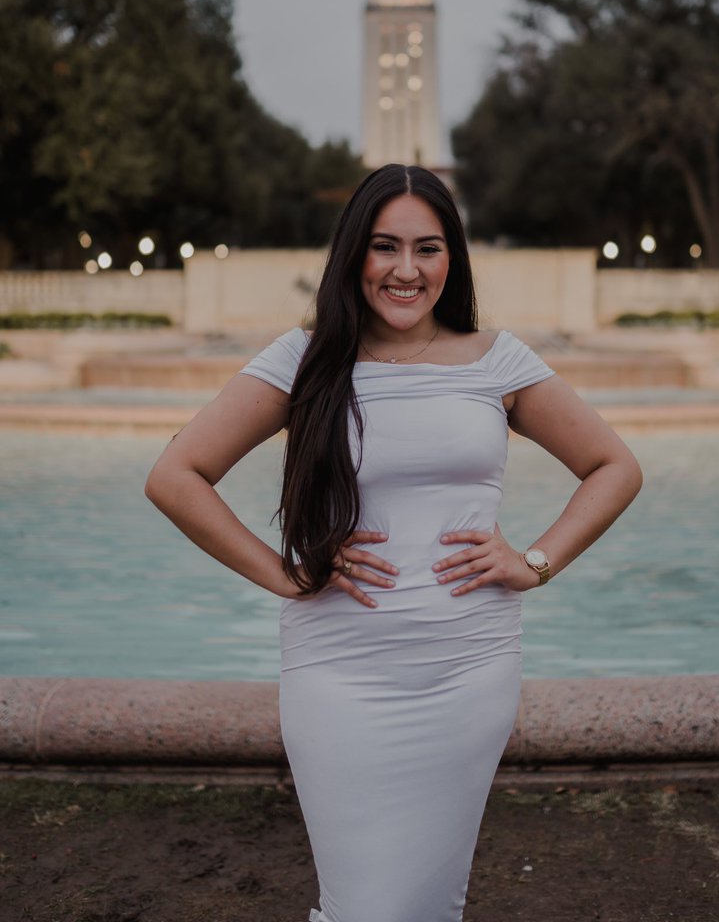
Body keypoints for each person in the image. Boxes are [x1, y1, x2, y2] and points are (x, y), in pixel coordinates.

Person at [145, 163, 642, 922]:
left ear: (453, 259)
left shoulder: (497, 360)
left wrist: (535, 561)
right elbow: (176, 475)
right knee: (363, 906)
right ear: (353, 254)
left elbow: (615, 467)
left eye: (428, 249)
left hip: (469, 667)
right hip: (339, 668)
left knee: (431, 903)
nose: (406, 270)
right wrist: (284, 573)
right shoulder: (304, 359)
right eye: (385, 247)